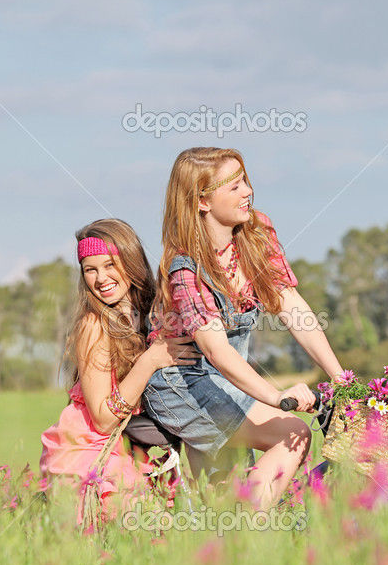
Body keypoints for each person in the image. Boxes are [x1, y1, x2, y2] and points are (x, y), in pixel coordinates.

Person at [143, 147, 348, 510]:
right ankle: (246, 532)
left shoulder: (256, 232)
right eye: (234, 186)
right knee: (293, 434)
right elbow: (216, 351)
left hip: (230, 377)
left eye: (245, 181)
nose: (247, 192)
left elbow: (291, 305)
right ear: (202, 201)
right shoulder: (184, 267)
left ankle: (228, 547)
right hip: (181, 384)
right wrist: (276, 396)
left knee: (224, 492)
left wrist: (341, 378)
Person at [40, 218, 199, 522]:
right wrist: (149, 361)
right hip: (90, 452)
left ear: (131, 261)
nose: (101, 278)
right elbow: (101, 420)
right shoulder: (93, 325)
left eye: (110, 265)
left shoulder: (150, 314)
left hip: (133, 449)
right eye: (90, 269)